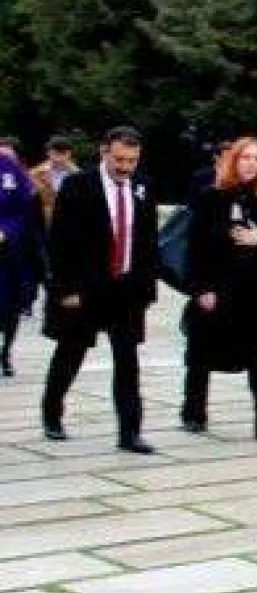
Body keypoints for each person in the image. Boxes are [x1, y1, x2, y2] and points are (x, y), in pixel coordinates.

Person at [40, 126, 160, 452]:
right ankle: (52, 412)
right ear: (105, 152)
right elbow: (59, 242)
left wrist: (147, 288)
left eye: (131, 161)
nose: (125, 167)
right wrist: (65, 289)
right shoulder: (78, 186)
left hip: (126, 289)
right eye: (119, 159)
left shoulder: (144, 187)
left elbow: (148, 240)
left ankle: (129, 432)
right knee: (70, 353)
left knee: (127, 361)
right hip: (85, 289)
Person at [180, 137, 257, 441]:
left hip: (253, 292)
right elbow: (196, 248)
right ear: (233, 160)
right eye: (245, 157)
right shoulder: (211, 197)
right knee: (200, 354)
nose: (251, 164)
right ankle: (193, 411)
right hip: (217, 288)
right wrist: (201, 288)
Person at [0, 148, 43, 377]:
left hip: (8, 253)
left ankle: (5, 352)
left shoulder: (9, 168)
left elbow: (27, 210)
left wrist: (7, 231)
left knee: (8, 306)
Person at [30, 135, 78, 227]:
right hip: (43, 221)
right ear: (48, 153)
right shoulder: (36, 173)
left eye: (63, 153)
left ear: (69, 154)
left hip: (70, 220)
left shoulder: (77, 175)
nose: (58, 158)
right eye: (55, 153)